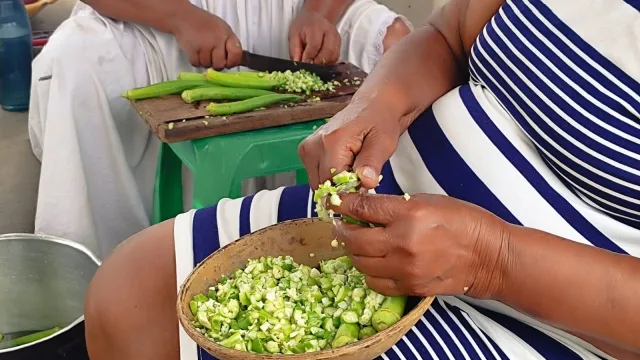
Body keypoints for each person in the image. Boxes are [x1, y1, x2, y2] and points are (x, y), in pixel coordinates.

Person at [84, 0, 640, 359]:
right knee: (129, 294)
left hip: (554, 321)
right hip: (367, 226)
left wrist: (491, 260)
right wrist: (377, 104)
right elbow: (450, 34)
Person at [27, 0, 411, 258]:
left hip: (297, 11)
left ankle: (380, 246)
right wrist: (182, 18)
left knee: (397, 44)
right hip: (155, 16)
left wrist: (319, 12)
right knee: (74, 61)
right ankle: (100, 273)